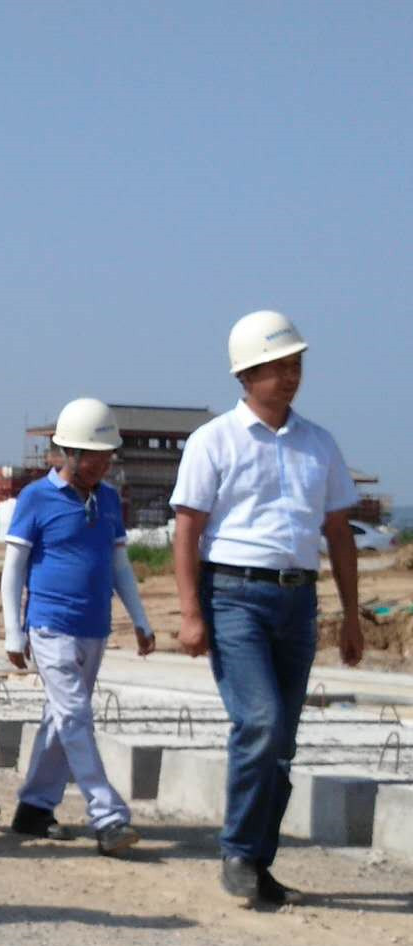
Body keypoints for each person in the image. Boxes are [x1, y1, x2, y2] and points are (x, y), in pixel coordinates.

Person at [171, 310, 362, 906]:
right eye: (278, 366)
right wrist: (191, 614)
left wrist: (351, 617)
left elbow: (339, 534)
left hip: (298, 601)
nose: (291, 375)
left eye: (296, 364)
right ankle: (237, 851)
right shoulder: (213, 441)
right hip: (234, 596)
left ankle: (257, 861)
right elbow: (187, 529)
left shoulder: (319, 443)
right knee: (260, 722)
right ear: (246, 374)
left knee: (283, 740)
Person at [1, 397, 154, 855]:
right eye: (93, 457)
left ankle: (34, 808)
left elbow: (120, 565)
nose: (102, 466)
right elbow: (13, 569)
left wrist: (141, 619)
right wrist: (13, 631)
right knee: (74, 715)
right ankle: (107, 815)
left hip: (94, 627)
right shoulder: (36, 498)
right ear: (68, 452)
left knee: (61, 719)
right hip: (50, 626)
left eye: (108, 457)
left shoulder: (107, 500)